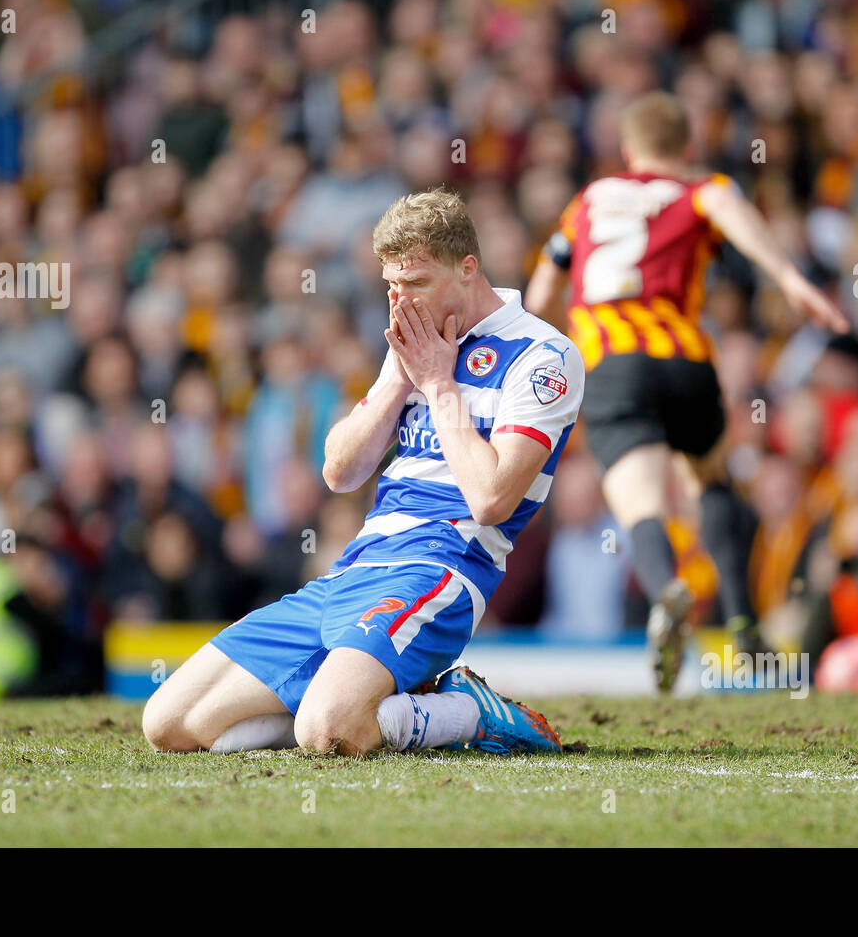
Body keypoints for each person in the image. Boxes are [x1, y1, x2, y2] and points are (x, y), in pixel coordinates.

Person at [142, 189, 584, 756]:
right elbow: (340, 472)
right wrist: (401, 379)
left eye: (417, 283)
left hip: (438, 569)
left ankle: (474, 712)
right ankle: (378, 695)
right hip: (355, 567)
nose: (402, 301)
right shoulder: (415, 342)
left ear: (468, 268)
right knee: (169, 725)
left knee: (327, 733)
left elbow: (492, 500)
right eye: (391, 286)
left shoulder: (543, 355)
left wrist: (440, 385)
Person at [525, 92, 850, 690]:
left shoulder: (591, 200)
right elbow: (728, 206)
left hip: (615, 366)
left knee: (642, 503)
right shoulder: (701, 189)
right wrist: (788, 277)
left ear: (628, 150)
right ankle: (745, 625)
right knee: (712, 480)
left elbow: (543, 289)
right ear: (687, 146)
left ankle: (664, 591)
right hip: (686, 361)